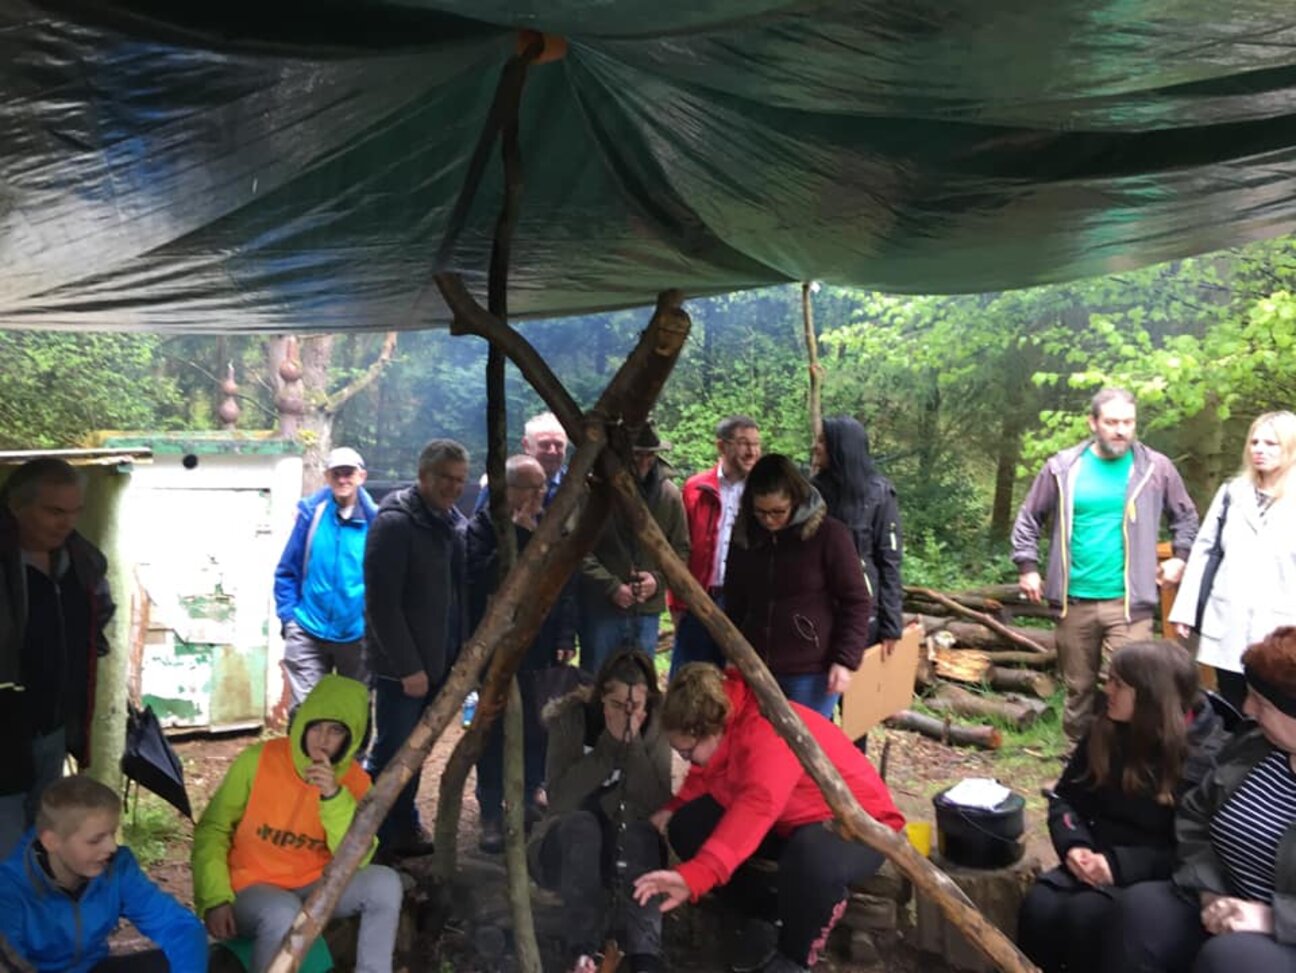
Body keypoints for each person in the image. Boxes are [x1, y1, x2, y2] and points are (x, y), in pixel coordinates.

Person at [633, 663, 904, 973]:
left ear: (707, 731)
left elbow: (757, 806)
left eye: (686, 752)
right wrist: (676, 806)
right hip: (792, 817)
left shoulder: (767, 731)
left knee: (810, 859)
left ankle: (794, 954)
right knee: (689, 826)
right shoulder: (726, 721)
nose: (686, 760)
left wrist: (699, 874)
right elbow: (707, 774)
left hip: (859, 823)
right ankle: (768, 912)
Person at [1016, 640, 1227, 973]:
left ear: (1150, 695)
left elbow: (1198, 853)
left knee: (1086, 916)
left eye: (1118, 684)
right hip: (1096, 856)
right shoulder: (1108, 729)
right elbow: (1066, 798)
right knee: (1039, 905)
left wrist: (1118, 865)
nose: (1107, 690)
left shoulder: (1205, 757)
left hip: (1158, 880)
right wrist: (1075, 845)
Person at [1012, 388, 1199, 744]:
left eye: (1128, 422)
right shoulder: (1063, 468)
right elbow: (1029, 518)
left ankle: (1127, 764)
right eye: (1112, 422)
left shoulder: (1155, 468)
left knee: (1134, 688)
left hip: (1129, 603)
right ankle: (1077, 762)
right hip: (1074, 600)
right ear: (1093, 423)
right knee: (1078, 689)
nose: (1121, 430)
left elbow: (1186, 518)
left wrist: (1180, 556)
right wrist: (1027, 566)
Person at [1106, 626, 1296, 972]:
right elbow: (1195, 815)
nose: (1247, 708)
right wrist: (1208, 889)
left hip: (1283, 935)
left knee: (1233, 958)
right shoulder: (1254, 747)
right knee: (1143, 910)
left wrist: (1272, 918)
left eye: (1263, 703)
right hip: (1225, 901)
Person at [193, 674, 403, 973]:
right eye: (316, 726)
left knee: (385, 884)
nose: (322, 739)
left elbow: (358, 856)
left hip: (316, 885)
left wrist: (333, 796)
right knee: (282, 911)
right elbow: (213, 829)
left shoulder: (356, 780)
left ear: (352, 736)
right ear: (302, 723)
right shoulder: (258, 759)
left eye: (336, 730)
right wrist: (214, 898)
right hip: (251, 887)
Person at [529, 649, 672, 973]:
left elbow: (657, 803)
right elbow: (559, 799)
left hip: (623, 848)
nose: (626, 714)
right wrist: (608, 746)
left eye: (635, 707)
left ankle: (646, 958)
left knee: (641, 834)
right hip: (565, 847)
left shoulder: (654, 725)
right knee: (582, 825)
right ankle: (582, 954)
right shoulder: (571, 718)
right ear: (600, 698)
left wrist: (633, 745)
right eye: (617, 705)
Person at [0, 458, 115, 858]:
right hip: (3, 729)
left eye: (74, 511)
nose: (66, 523)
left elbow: (99, 616)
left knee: (42, 842)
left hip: (51, 728)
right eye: (54, 511)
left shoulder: (81, 561)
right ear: (16, 506)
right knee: (7, 849)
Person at [467, 454, 577, 854]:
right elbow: (481, 579)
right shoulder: (482, 527)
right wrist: (518, 533)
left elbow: (563, 585)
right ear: (507, 489)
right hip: (496, 646)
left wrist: (565, 634)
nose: (537, 495)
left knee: (538, 724)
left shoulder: (551, 527)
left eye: (541, 487)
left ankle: (531, 795)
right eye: (529, 487)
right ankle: (490, 811)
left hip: (541, 643)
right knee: (492, 729)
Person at [364, 438, 470, 855]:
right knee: (393, 752)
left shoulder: (449, 524)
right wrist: (408, 667)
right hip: (402, 670)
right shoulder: (395, 524)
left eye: (459, 479)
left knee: (417, 751)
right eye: (444, 477)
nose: (452, 486)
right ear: (423, 475)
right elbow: (382, 604)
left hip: (438, 661)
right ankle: (373, 839)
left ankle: (403, 828)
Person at [0, 775, 207, 973]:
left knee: (192, 958)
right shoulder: (9, 888)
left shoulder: (118, 867)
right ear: (51, 842)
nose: (111, 847)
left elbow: (179, 927)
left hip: (94, 967)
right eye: (95, 840)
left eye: (112, 833)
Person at [723, 454, 871, 718]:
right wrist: (732, 652)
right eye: (761, 512)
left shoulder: (829, 535)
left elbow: (857, 600)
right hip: (754, 667)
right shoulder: (745, 536)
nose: (769, 520)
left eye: (778, 512)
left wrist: (845, 660)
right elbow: (734, 600)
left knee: (805, 741)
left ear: (796, 500)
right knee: (757, 740)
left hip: (811, 672)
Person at [1170, 411, 1296, 710]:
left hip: (1281, 630)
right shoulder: (1232, 493)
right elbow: (1204, 551)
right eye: (1254, 442)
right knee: (1233, 706)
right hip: (1229, 624)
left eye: (1271, 443)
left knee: (1279, 710)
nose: (1259, 449)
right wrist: (1186, 610)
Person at [576, 423, 689, 675]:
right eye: (638, 455)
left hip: (647, 610)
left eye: (650, 455)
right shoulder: (593, 493)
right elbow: (576, 550)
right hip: (602, 608)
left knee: (641, 681)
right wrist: (611, 586)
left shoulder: (669, 495)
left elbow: (680, 550)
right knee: (596, 680)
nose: (645, 462)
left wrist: (657, 581)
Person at [273, 446, 378, 705]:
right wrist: (289, 619)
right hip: (308, 629)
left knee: (352, 711)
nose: (342, 479)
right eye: (336, 473)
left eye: (348, 473)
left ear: (361, 476)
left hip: (356, 635)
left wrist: (373, 628)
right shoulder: (312, 515)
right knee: (306, 712)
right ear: (327, 477)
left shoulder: (376, 523)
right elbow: (287, 570)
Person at [668, 416, 762, 676]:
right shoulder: (695, 488)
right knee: (689, 676)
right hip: (699, 597)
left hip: (745, 603)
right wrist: (676, 602)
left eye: (756, 444)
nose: (752, 451)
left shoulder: (762, 492)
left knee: (734, 679)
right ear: (722, 446)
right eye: (743, 443)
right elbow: (679, 550)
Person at [810, 416, 904, 654]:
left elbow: (890, 562)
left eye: (822, 441)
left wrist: (891, 625)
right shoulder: (812, 492)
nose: (815, 447)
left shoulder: (879, 494)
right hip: (817, 608)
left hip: (861, 611)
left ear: (841, 447)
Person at [472, 411, 570, 513]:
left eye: (559, 445)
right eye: (544, 445)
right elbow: (480, 519)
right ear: (526, 445)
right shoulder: (502, 482)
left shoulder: (576, 483)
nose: (553, 451)